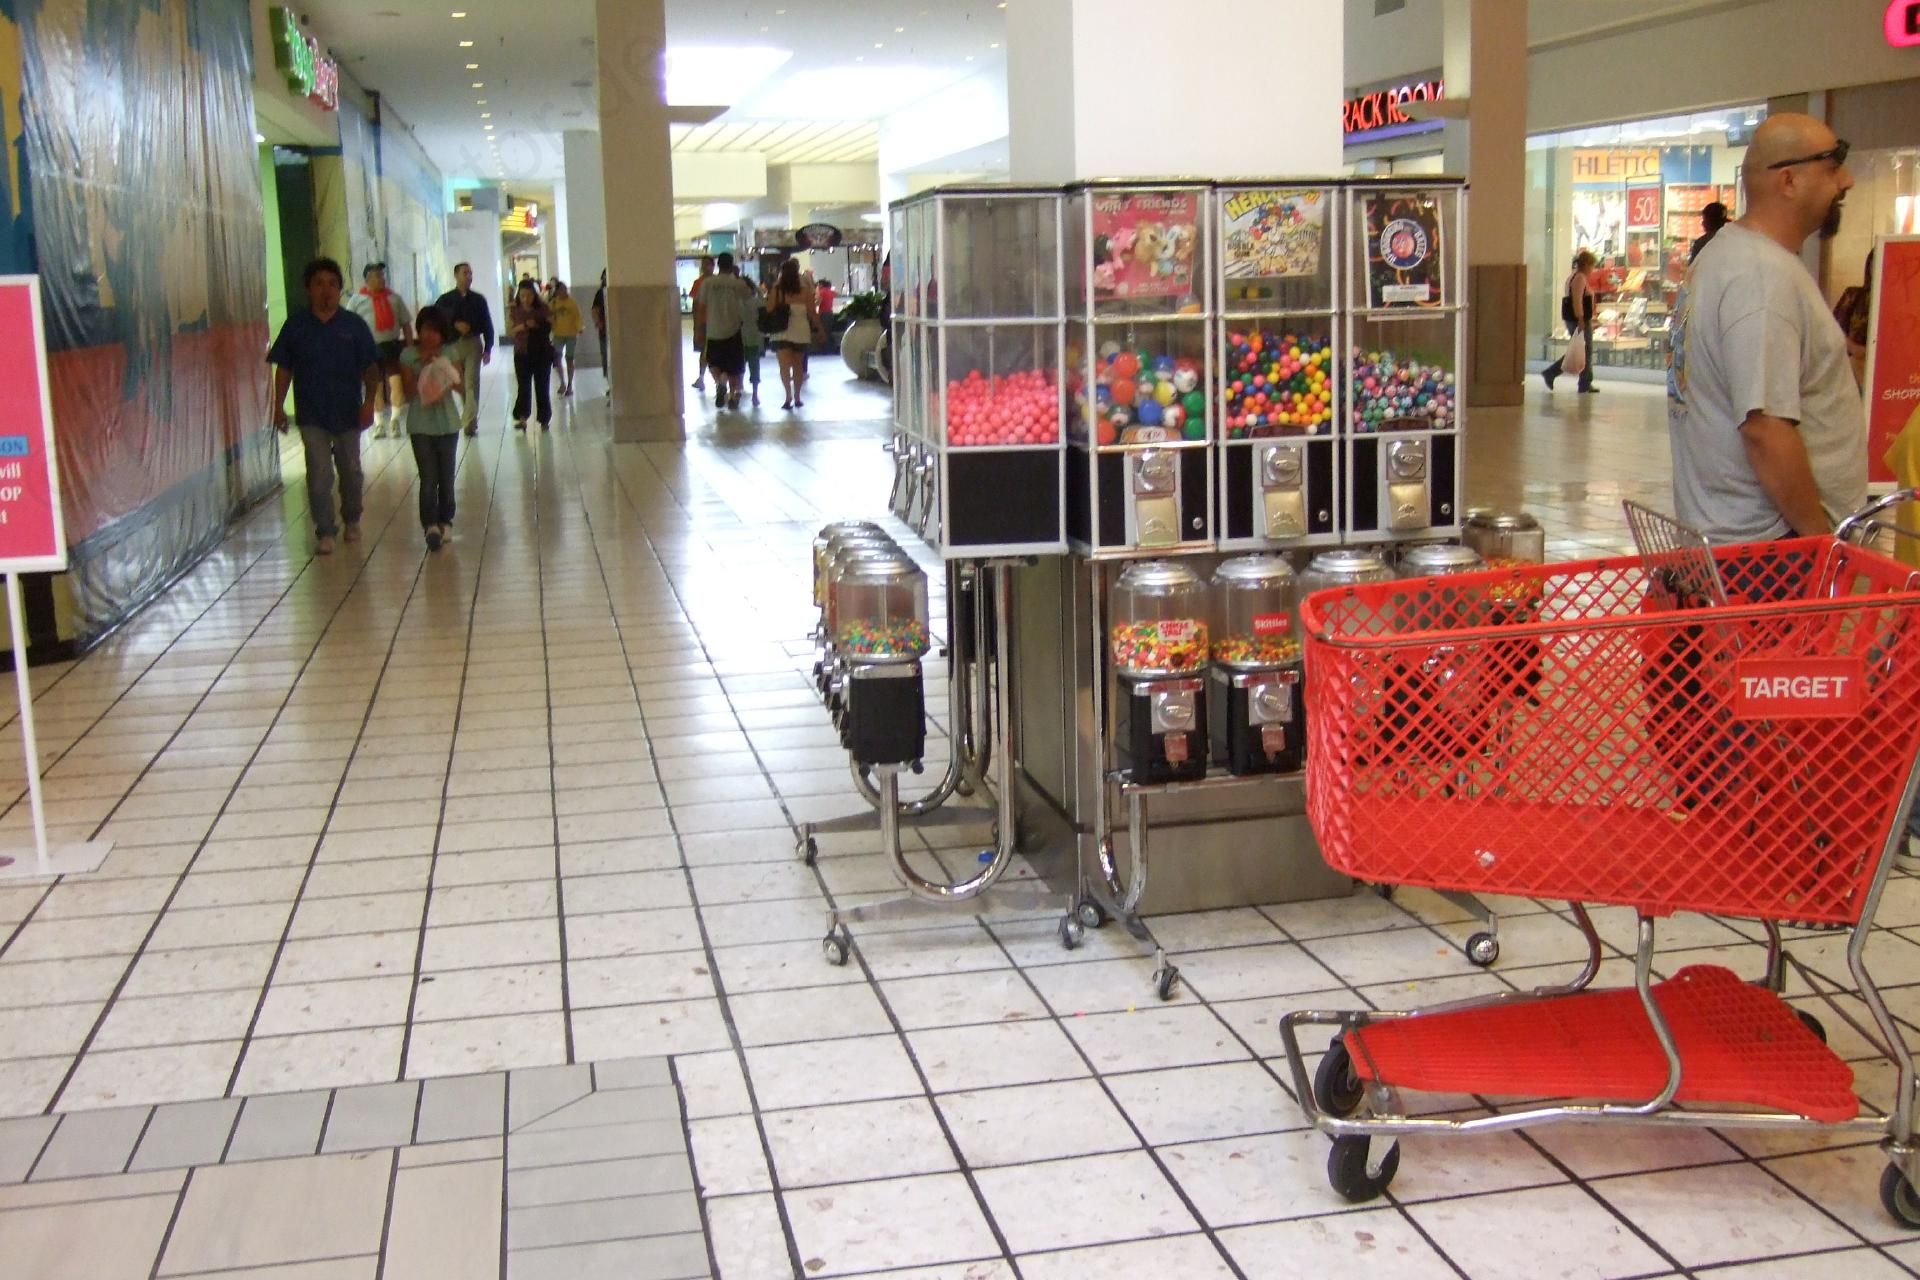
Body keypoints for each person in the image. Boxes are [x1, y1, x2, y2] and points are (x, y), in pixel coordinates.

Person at [1670, 112, 1863, 545]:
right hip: (1772, 553)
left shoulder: (1725, 257)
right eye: (1832, 167)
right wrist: (1821, 543)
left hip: (1740, 544)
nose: (1846, 181)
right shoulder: (1762, 277)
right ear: (1788, 180)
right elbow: (1764, 428)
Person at [268, 257, 379, 556]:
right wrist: (278, 406)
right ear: (308, 289)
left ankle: (352, 518)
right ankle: (326, 530)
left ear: (340, 289)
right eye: (318, 284)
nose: (325, 290)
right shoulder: (296, 327)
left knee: (351, 472)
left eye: (332, 284)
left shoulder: (353, 326)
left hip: (348, 412)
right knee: (319, 476)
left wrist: (369, 403)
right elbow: (284, 369)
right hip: (311, 413)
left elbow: (371, 368)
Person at [400, 305, 463, 551]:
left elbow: (460, 385)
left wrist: (442, 367)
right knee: (428, 477)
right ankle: (430, 525)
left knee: (446, 477)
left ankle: (446, 520)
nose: (430, 336)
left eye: (436, 331)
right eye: (426, 329)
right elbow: (407, 393)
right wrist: (422, 366)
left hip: (447, 423)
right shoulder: (408, 356)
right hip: (420, 425)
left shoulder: (450, 352)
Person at [348, 261, 413, 437]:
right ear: (368, 279)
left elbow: (406, 324)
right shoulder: (357, 300)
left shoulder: (394, 299)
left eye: (383, 275)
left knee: (397, 384)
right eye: (378, 275)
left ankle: (394, 421)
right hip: (369, 349)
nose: (382, 278)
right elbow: (348, 326)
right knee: (374, 387)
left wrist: (410, 347)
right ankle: (379, 424)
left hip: (391, 346)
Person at [434, 263, 496, 437]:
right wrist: (455, 324)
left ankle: (468, 421)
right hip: (453, 345)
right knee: (461, 384)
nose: (469, 276)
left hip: (472, 344)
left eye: (470, 273)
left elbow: (487, 324)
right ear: (456, 275)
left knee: (471, 383)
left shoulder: (478, 300)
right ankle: (470, 417)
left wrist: (488, 348)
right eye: (465, 273)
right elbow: (437, 321)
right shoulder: (445, 300)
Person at [700, 252, 757, 410]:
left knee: (714, 363)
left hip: (713, 331)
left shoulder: (708, 283)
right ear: (732, 265)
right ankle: (732, 396)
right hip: (733, 330)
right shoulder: (738, 284)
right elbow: (750, 299)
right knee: (734, 367)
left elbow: (701, 306)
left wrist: (699, 329)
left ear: (718, 265)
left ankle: (721, 382)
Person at [1541, 250, 1598, 394]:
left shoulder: (1573, 276)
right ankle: (1581, 381)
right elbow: (1577, 300)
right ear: (1586, 265)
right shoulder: (1580, 278)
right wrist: (1581, 318)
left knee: (1580, 350)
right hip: (1579, 319)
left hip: (1575, 319)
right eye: (1592, 266)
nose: (1592, 269)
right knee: (1583, 350)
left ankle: (1583, 381)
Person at [507, 279, 555, 431]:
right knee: (523, 387)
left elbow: (552, 323)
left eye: (529, 295)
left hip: (541, 352)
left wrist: (541, 323)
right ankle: (522, 418)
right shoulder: (515, 310)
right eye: (522, 296)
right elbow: (510, 331)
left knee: (542, 387)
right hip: (522, 353)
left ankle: (544, 420)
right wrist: (524, 326)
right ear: (519, 296)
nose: (526, 299)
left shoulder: (543, 308)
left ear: (535, 295)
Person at [772, 258, 816, 410]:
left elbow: (769, 308)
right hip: (801, 331)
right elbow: (812, 312)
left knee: (784, 367)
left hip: (781, 332)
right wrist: (820, 329)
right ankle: (797, 396)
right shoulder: (804, 291)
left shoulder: (777, 290)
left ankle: (787, 396)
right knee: (798, 365)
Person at [1833, 248, 1875, 386]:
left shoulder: (1900, 302)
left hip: (1885, 365)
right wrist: (1854, 348)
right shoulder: (1854, 295)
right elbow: (1833, 329)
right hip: (1854, 365)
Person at [549, 280, 584, 396]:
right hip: (558, 334)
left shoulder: (572, 302)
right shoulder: (554, 303)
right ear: (557, 291)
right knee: (557, 358)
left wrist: (579, 327)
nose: (563, 292)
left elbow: (577, 316)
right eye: (561, 290)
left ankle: (569, 385)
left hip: (571, 334)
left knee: (569, 359)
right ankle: (562, 383)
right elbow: (549, 315)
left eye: (565, 289)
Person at [740, 267, 767, 408]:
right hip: (743, 338)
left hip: (751, 339)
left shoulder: (755, 302)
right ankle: (742, 390)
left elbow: (765, 304)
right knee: (744, 366)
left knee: (752, 366)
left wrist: (758, 290)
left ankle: (753, 393)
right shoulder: (739, 302)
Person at [689, 255, 715, 391]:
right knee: (704, 350)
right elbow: (695, 305)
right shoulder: (698, 282)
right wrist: (697, 325)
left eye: (707, 264)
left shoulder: (717, 282)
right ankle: (702, 377)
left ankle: (716, 380)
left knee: (712, 351)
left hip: (716, 322)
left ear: (713, 266)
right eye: (703, 264)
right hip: (704, 322)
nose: (704, 267)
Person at [592, 269, 609, 396]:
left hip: (614, 332)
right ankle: (611, 385)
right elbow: (595, 309)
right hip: (604, 331)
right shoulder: (600, 293)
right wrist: (598, 322)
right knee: (606, 358)